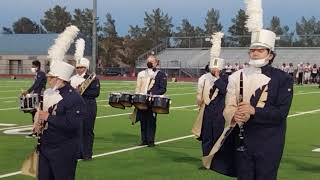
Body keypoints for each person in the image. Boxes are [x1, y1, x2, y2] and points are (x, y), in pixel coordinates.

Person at [223, 29, 294, 180]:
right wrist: (234, 115)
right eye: (252, 50)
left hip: (269, 141)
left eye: (260, 50)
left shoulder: (283, 78)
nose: (254, 53)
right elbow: (228, 107)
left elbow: (281, 113)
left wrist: (253, 110)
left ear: (270, 54)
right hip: (243, 140)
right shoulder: (237, 76)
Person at [34, 60, 86, 180]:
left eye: (51, 77)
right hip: (45, 146)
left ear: (59, 79)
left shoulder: (74, 98)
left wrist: (48, 117)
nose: (48, 80)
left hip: (64, 149)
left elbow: (72, 124)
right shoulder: (49, 93)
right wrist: (38, 122)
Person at [70, 57, 100, 160]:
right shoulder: (72, 78)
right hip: (75, 107)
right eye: (77, 67)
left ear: (85, 68)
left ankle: (87, 154)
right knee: (77, 130)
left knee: (87, 130)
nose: (78, 69)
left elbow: (95, 93)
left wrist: (80, 91)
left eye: (81, 67)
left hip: (88, 107)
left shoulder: (92, 78)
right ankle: (78, 152)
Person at [135, 55, 167, 147]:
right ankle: (143, 139)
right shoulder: (142, 74)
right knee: (142, 120)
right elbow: (138, 87)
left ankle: (150, 140)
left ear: (156, 63)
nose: (149, 63)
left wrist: (152, 93)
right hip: (142, 100)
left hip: (153, 101)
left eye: (151, 61)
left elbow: (163, 88)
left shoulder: (161, 74)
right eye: (148, 61)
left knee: (151, 120)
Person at [200, 58, 228, 158]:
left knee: (217, 135)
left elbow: (225, 90)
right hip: (207, 110)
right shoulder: (205, 78)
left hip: (219, 111)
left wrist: (217, 78)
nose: (213, 70)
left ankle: (217, 158)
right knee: (206, 136)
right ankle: (206, 158)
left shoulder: (225, 78)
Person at [22, 60, 47, 137]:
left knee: (37, 113)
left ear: (37, 66)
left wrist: (28, 91)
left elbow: (37, 84)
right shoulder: (38, 74)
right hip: (36, 95)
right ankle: (35, 130)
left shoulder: (41, 73)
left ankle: (38, 130)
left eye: (33, 66)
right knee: (34, 113)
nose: (32, 68)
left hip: (39, 96)